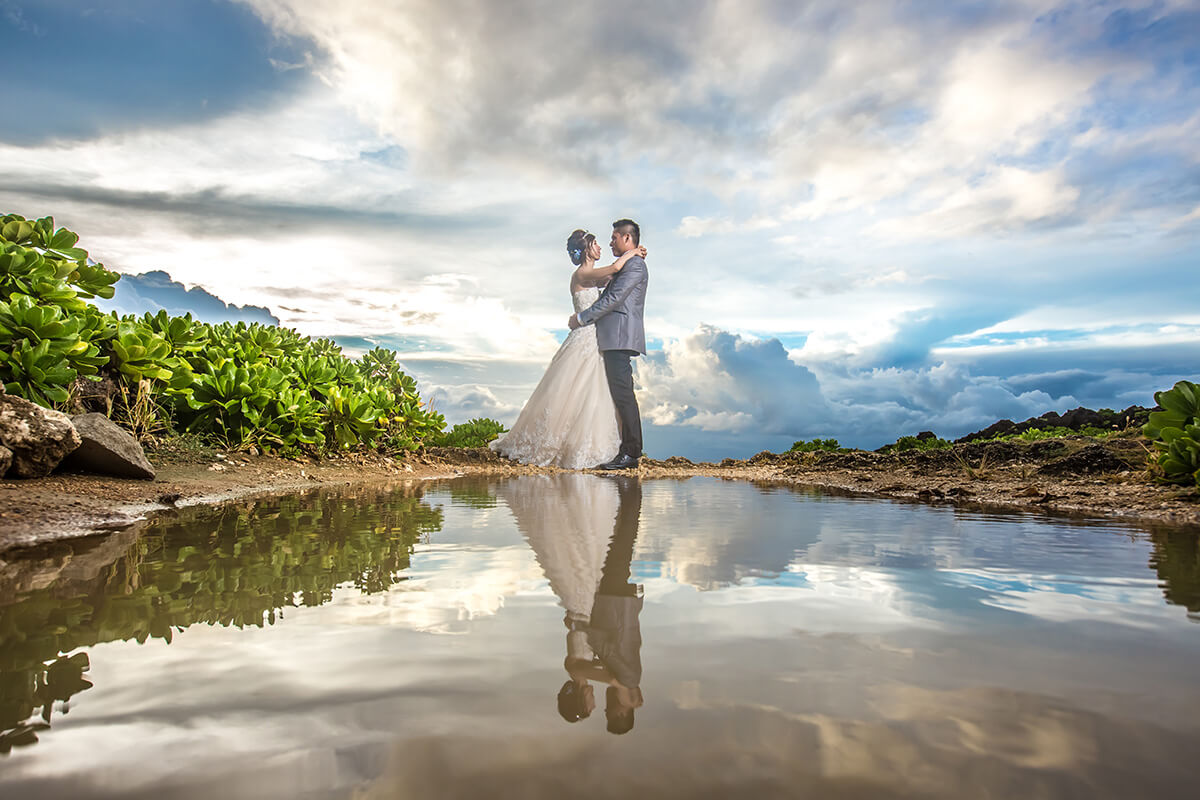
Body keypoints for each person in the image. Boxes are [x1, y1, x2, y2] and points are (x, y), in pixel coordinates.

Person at [489, 228, 646, 469]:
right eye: (596, 244)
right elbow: (614, 271)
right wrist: (633, 252)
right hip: (587, 336)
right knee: (575, 390)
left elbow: (614, 279)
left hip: (597, 337)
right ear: (587, 249)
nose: (602, 246)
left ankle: (604, 446)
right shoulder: (583, 274)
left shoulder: (592, 275)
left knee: (592, 392)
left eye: (612, 238)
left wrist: (632, 255)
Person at [568, 219, 649, 470]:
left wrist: (582, 318)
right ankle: (625, 450)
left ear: (626, 238)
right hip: (610, 337)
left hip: (619, 336)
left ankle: (631, 453)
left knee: (623, 394)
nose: (610, 242)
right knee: (617, 394)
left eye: (614, 237)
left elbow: (614, 298)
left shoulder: (634, 266)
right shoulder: (626, 264)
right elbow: (610, 275)